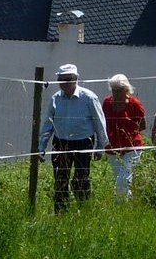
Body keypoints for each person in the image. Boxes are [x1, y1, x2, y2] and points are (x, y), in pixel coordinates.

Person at [37, 63, 108, 212]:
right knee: (60, 179)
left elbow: (99, 122)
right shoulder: (55, 98)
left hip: (84, 142)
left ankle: (84, 210)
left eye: (69, 79)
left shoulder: (89, 97)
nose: (65, 82)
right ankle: (61, 213)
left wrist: (101, 147)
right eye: (62, 79)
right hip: (61, 143)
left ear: (76, 79)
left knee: (81, 179)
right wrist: (41, 146)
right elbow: (47, 124)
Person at [101, 73, 147, 199]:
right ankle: (128, 205)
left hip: (133, 147)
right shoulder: (107, 103)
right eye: (113, 90)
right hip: (112, 148)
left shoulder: (135, 104)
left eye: (118, 90)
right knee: (119, 179)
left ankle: (119, 204)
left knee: (123, 178)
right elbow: (103, 123)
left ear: (126, 90)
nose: (115, 93)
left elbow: (142, 125)